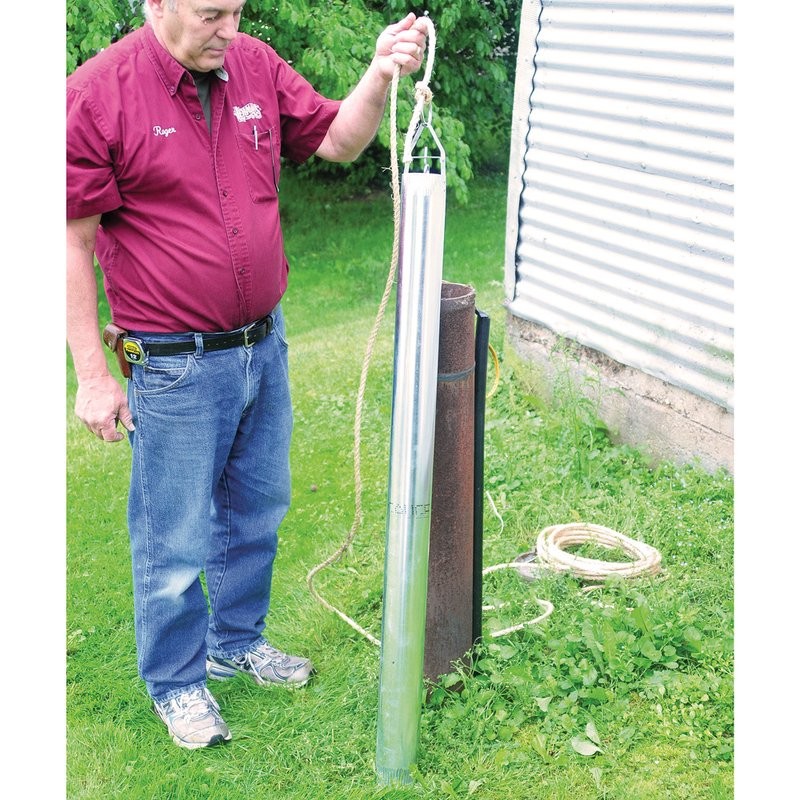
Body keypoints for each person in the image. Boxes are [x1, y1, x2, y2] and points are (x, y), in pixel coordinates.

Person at [66, 0, 427, 750]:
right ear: (156, 4)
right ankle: (176, 683)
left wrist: (380, 72)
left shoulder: (254, 64)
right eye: (209, 14)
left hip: (264, 345)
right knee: (173, 536)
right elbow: (69, 242)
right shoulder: (98, 92)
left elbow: (338, 141)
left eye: (235, 10)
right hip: (170, 363)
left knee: (256, 509)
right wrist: (92, 377)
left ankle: (236, 643)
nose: (228, 29)